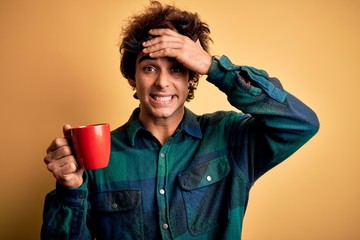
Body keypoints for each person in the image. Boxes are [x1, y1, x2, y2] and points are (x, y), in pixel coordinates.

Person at [41, 1, 319, 239]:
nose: (163, 82)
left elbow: (301, 124)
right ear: (132, 78)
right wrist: (71, 190)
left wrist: (213, 66)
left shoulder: (230, 136)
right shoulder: (96, 157)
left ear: (191, 78)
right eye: (149, 68)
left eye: (176, 69)